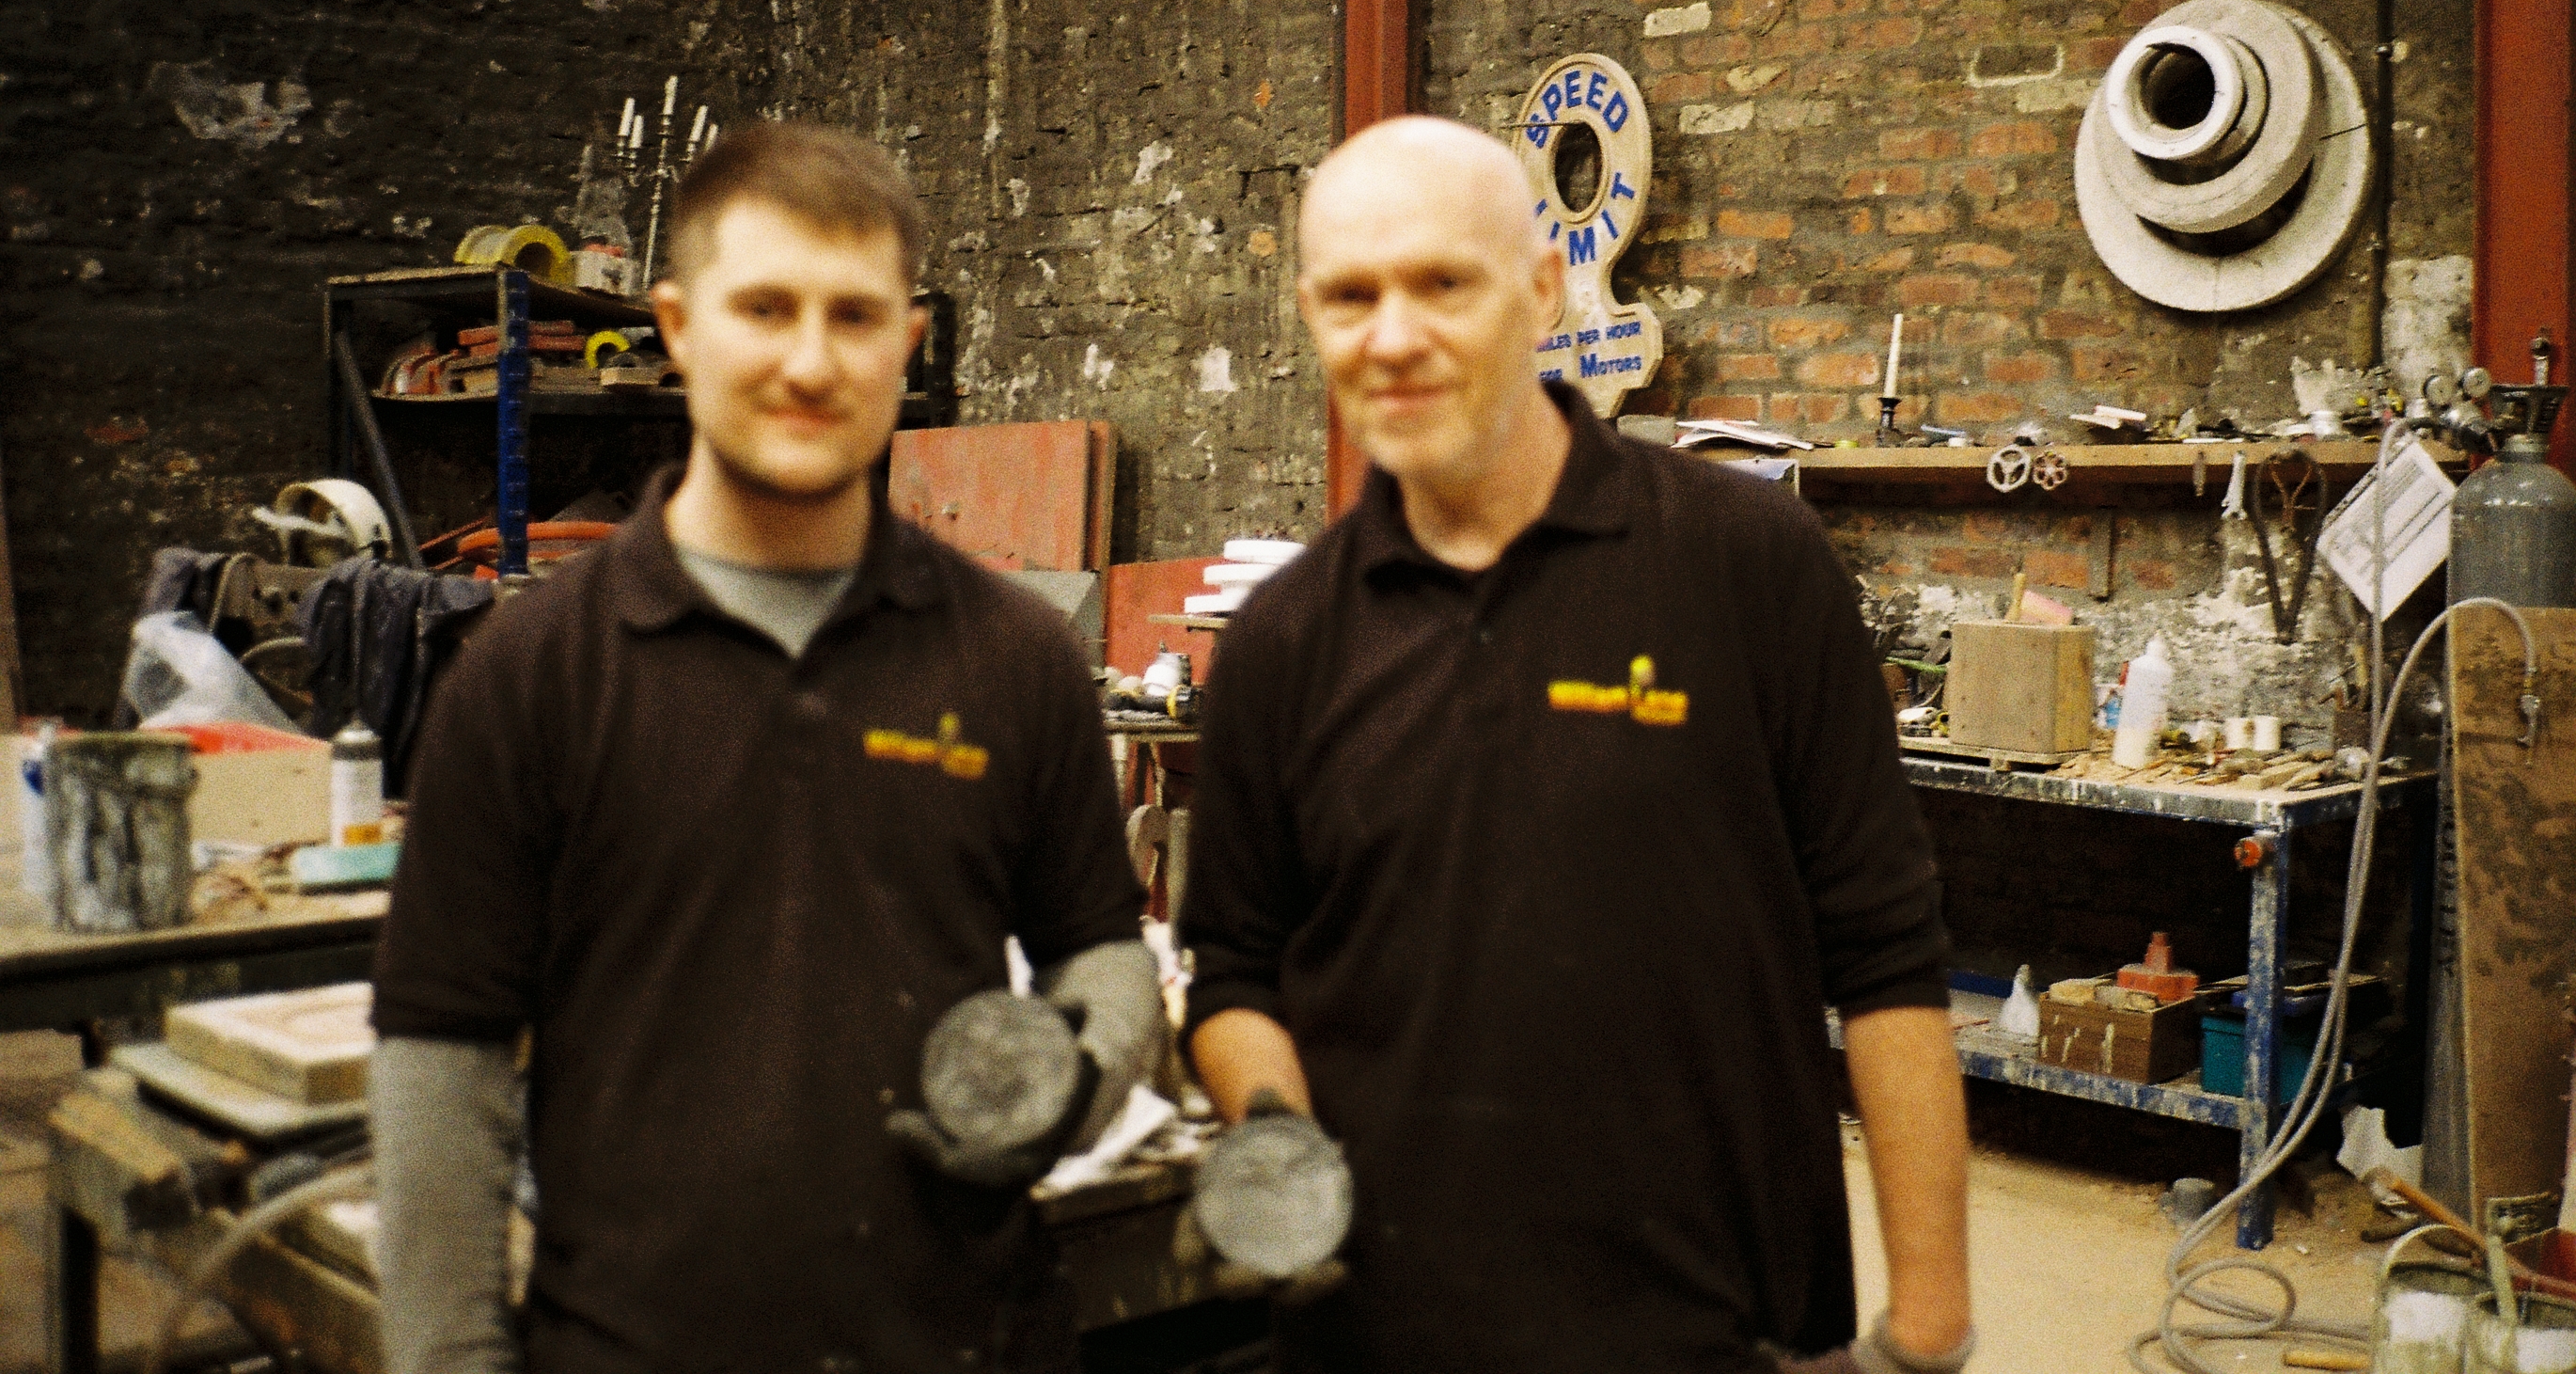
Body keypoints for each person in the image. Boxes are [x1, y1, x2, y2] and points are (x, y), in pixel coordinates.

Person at [1181, 117, 1973, 1374]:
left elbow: (1885, 956)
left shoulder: (1747, 564)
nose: (1393, 335)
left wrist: (1925, 1336)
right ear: (1309, 315)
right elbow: (1232, 970)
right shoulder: (1282, 638)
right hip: (1381, 1334)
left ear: (1542, 287)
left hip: (1718, 1332)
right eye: (1350, 294)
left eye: (1443, 282)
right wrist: (1280, 1147)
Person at [370, 122, 1160, 1374]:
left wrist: (1074, 1077)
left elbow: (1104, 954)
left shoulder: (1015, 656)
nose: (809, 359)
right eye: (764, 307)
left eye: (853, 316)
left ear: (907, 345)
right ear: (678, 326)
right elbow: (439, 1071)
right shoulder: (531, 676)